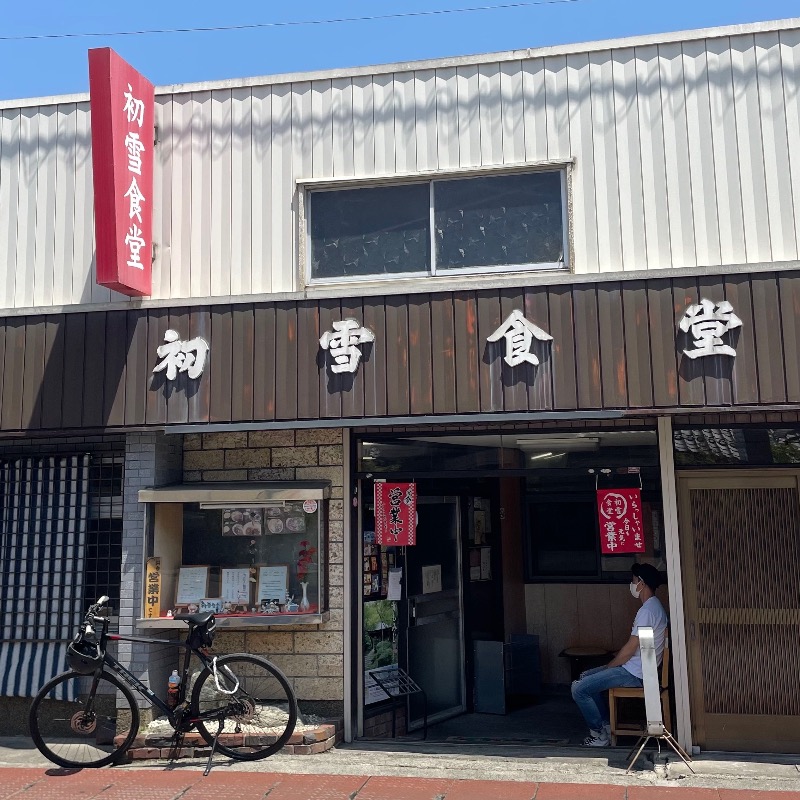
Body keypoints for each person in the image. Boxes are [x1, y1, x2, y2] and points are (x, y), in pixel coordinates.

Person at [571, 562, 668, 747]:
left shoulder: (647, 611)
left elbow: (630, 649)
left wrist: (610, 666)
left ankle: (598, 734)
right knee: (585, 677)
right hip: (638, 669)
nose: (631, 585)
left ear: (641, 582)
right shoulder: (655, 607)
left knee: (579, 689)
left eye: (633, 580)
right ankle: (606, 726)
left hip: (635, 673)